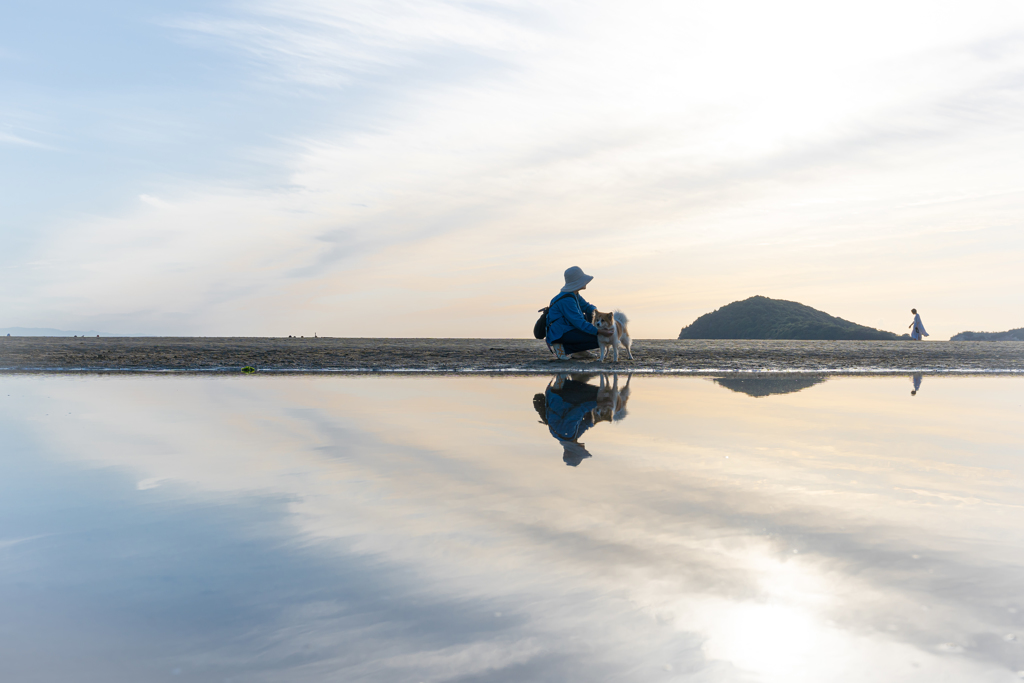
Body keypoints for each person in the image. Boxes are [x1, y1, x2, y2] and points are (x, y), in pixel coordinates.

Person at [546, 266, 613, 360]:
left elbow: (587, 306)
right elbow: (579, 322)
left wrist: (597, 313)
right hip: (560, 333)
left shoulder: (574, 294)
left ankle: (579, 352)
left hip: (569, 328)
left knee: (591, 315)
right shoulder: (567, 300)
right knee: (601, 339)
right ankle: (563, 347)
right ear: (577, 282)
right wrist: (600, 331)